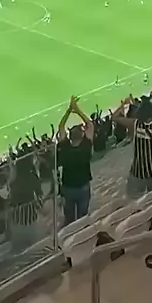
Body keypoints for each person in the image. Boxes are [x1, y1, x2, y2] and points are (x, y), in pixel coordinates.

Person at [57, 96, 94, 225]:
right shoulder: (86, 146)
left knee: (69, 217)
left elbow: (61, 126)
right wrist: (77, 110)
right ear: (82, 135)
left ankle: (71, 231)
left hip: (68, 188)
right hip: (83, 186)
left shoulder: (65, 147)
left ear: (70, 136)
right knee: (83, 216)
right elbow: (90, 124)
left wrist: (69, 110)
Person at [8, 153, 43, 251]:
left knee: (18, 249)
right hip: (30, 218)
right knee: (32, 248)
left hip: (17, 220)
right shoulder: (32, 178)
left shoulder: (13, 181)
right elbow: (40, 196)